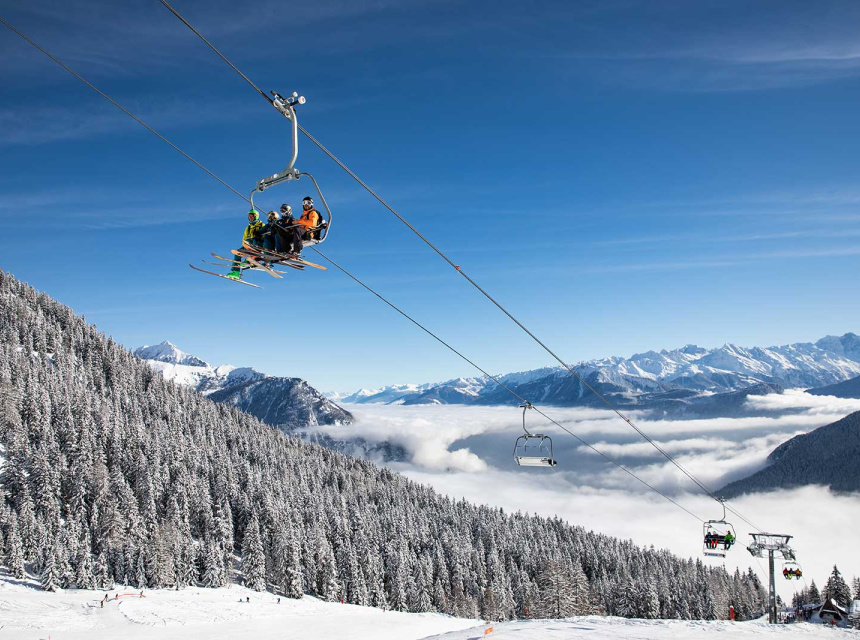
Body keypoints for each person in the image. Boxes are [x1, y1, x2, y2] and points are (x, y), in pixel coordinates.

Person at [227, 209, 264, 280]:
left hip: (258, 244)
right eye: (249, 216)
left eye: (252, 216)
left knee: (253, 241)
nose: (250, 218)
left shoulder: (262, 225)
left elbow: (266, 236)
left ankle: (251, 260)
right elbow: (244, 238)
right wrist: (245, 246)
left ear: (256, 216)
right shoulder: (248, 228)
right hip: (249, 245)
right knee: (237, 253)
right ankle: (235, 272)